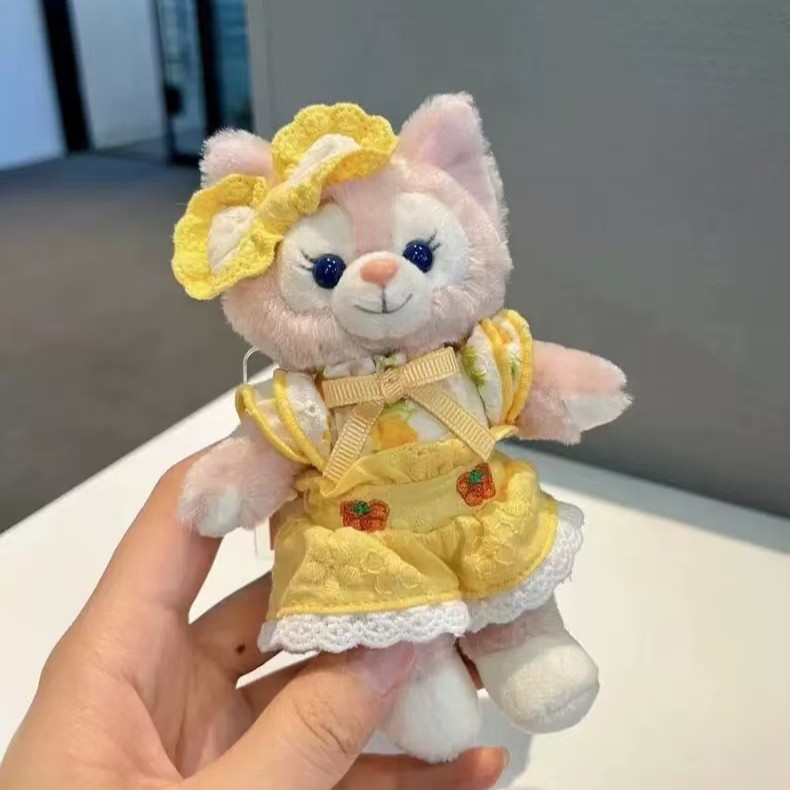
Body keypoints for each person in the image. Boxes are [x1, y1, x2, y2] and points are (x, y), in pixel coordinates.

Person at [0, 455, 508, 789]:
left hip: (454, 514)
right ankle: (433, 669)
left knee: (500, 568)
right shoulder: (305, 404)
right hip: (349, 544)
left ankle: (523, 637)